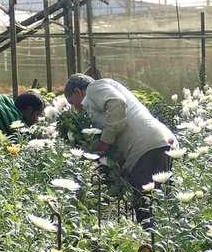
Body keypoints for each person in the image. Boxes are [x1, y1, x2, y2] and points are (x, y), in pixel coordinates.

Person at [64, 74, 176, 226]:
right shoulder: (104, 90)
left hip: (145, 147)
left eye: (72, 103)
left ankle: (154, 247)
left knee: (148, 208)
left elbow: (116, 103)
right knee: (160, 204)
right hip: (155, 143)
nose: (76, 109)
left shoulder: (94, 88)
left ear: (78, 92)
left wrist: (103, 143)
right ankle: (163, 245)